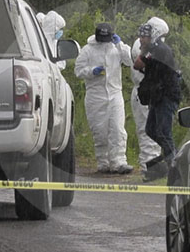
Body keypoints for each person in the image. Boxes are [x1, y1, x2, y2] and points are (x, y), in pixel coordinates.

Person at [74, 22, 134, 174]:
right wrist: (91, 71)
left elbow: (129, 60)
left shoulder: (116, 48)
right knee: (100, 131)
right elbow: (78, 70)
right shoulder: (88, 50)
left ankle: (119, 162)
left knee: (118, 129)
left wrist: (120, 44)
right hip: (95, 95)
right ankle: (103, 162)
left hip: (115, 93)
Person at [133, 17, 182, 179]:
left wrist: (144, 60)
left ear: (155, 33)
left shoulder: (161, 50)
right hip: (158, 97)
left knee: (162, 131)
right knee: (151, 130)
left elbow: (149, 69)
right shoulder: (154, 50)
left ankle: (174, 164)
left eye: (145, 35)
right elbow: (139, 64)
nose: (141, 38)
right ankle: (170, 159)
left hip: (166, 97)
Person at [130, 34, 164, 181]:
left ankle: (154, 166)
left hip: (152, 92)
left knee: (155, 131)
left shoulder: (151, 47)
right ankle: (148, 167)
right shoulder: (142, 48)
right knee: (147, 131)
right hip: (145, 93)